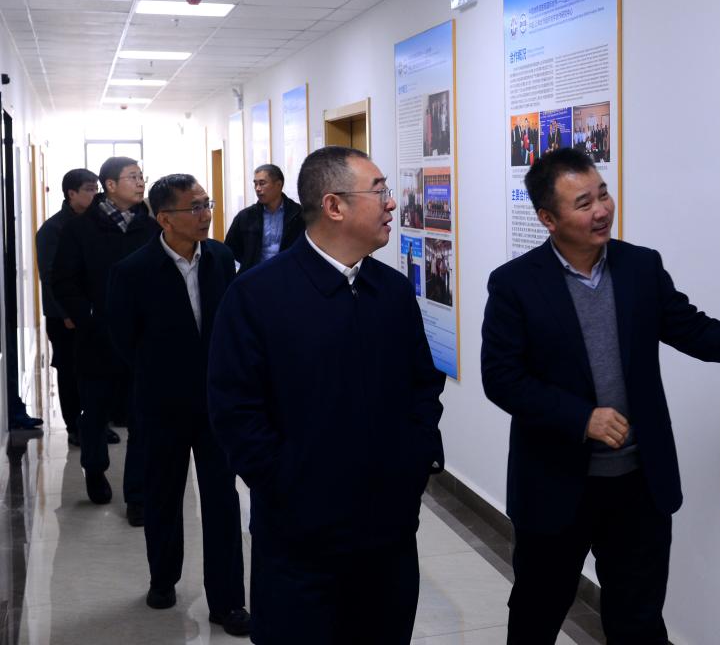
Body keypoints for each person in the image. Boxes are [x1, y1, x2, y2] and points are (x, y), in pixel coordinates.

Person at [480, 148, 720, 644]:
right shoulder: (515, 284)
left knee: (639, 622)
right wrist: (583, 418)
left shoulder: (639, 268)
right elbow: (501, 378)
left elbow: (698, 333)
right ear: (548, 219)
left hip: (637, 487)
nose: (601, 210)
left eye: (603, 194)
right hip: (555, 486)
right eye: (583, 203)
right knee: (536, 615)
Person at [208, 146, 446, 644]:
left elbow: (423, 385)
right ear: (334, 205)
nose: (391, 203)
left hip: (388, 534)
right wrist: (287, 485)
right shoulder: (256, 295)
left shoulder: (391, 290)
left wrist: (414, 461)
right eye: (379, 191)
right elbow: (236, 412)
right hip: (298, 541)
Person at [107, 175, 250, 636]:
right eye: (195, 207)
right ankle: (163, 579)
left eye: (207, 204)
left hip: (216, 405)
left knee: (222, 500)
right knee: (163, 495)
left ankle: (228, 600)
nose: (206, 214)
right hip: (161, 405)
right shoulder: (133, 270)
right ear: (165, 218)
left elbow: (233, 324)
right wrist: (160, 374)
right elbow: (123, 340)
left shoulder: (221, 258)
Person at [52, 157, 158, 522]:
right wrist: (88, 316)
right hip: (96, 339)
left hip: (141, 341)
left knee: (141, 418)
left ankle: (137, 495)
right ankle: (94, 469)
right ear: (110, 185)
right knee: (95, 413)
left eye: (142, 176)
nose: (141, 183)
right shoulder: (80, 229)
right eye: (133, 177)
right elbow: (63, 280)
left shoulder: (151, 227)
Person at [35, 169, 99, 443]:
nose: (95, 194)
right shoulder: (53, 230)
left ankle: (95, 422)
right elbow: (49, 277)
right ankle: (74, 427)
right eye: (89, 189)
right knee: (70, 369)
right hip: (64, 316)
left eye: (96, 189)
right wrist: (66, 314)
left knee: (93, 368)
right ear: (71, 193)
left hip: (91, 310)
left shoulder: (95, 223)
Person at [224, 164, 303, 273]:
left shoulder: (298, 214)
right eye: (255, 184)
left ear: (278, 185)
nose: (257, 189)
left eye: (262, 183)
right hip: (254, 276)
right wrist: (249, 262)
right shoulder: (246, 216)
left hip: (288, 275)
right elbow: (230, 248)